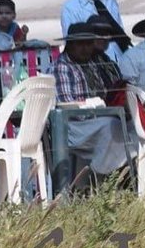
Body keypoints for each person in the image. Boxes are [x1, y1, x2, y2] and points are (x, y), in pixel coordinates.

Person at [52, 17, 132, 191]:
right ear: (70, 45)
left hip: (95, 119)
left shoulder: (92, 63)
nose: (85, 48)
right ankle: (97, 178)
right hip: (72, 125)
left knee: (129, 127)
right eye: (80, 44)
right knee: (112, 126)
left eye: (88, 44)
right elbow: (68, 106)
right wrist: (97, 106)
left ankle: (110, 177)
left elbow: (104, 93)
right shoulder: (63, 67)